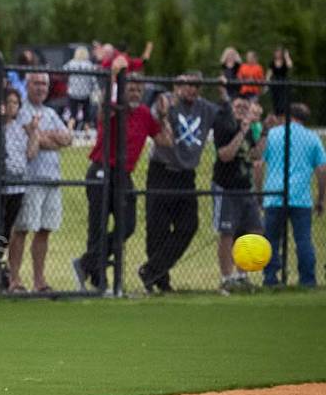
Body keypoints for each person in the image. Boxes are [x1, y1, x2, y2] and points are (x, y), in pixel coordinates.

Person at [72, 79, 171, 291]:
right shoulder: (114, 108)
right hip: (102, 169)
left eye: (139, 90)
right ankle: (98, 280)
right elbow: (102, 117)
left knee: (127, 225)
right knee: (97, 226)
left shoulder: (145, 114)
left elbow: (165, 141)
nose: (135, 93)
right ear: (123, 90)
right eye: (131, 89)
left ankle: (86, 263)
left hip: (123, 174)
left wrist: (163, 116)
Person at [138, 72, 219, 293]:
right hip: (161, 171)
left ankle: (151, 269)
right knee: (157, 229)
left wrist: (227, 95)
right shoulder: (166, 100)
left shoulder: (206, 108)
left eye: (197, 85)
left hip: (186, 175)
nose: (192, 89)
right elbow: (154, 119)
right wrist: (162, 112)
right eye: (187, 85)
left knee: (189, 225)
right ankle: (161, 281)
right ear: (177, 86)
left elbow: (226, 119)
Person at [6, 72, 71, 293]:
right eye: (36, 83)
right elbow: (28, 140)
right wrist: (50, 138)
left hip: (52, 180)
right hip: (30, 181)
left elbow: (68, 138)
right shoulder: (21, 112)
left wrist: (42, 136)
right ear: (28, 84)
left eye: (44, 84)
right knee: (23, 229)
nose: (41, 88)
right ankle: (14, 280)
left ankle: (39, 281)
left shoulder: (51, 112)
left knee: (44, 230)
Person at [259, 103, 326, 287]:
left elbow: (258, 164)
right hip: (301, 198)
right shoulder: (312, 138)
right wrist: (320, 198)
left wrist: (260, 194)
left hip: (274, 195)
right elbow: (322, 171)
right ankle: (307, 280)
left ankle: (271, 279)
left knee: (271, 240)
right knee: (303, 240)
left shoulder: (273, 134)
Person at [211, 97, 266, 294]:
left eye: (245, 107)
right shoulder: (225, 128)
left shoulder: (251, 130)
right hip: (226, 187)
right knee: (227, 233)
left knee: (253, 231)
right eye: (238, 106)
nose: (242, 110)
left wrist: (264, 131)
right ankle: (226, 278)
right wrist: (241, 130)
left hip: (245, 188)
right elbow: (226, 155)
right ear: (231, 109)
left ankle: (242, 276)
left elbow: (255, 155)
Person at [0, 88, 38, 291]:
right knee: (0, 227)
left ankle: (1, 267)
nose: (12, 107)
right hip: (2, 186)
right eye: (9, 102)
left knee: (9, 229)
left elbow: (30, 154)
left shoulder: (20, 129)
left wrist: (33, 134)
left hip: (18, 187)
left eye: (15, 103)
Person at [63, 46, 95, 131]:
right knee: (86, 115)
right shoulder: (89, 65)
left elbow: (63, 70)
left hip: (73, 92)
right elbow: (93, 79)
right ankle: (87, 134)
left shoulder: (71, 63)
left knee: (73, 114)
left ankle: (69, 131)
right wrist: (94, 89)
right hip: (85, 92)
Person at [267, 47, 293, 116]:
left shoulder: (284, 62)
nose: (277, 54)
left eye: (279, 53)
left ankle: (283, 115)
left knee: (283, 101)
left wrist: (287, 56)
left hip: (283, 83)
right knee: (275, 100)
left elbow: (290, 65)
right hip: (275, 83)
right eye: (276, 53)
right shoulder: (272, 62)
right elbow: (269, 73)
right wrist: (267, 82)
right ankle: (277, 115)